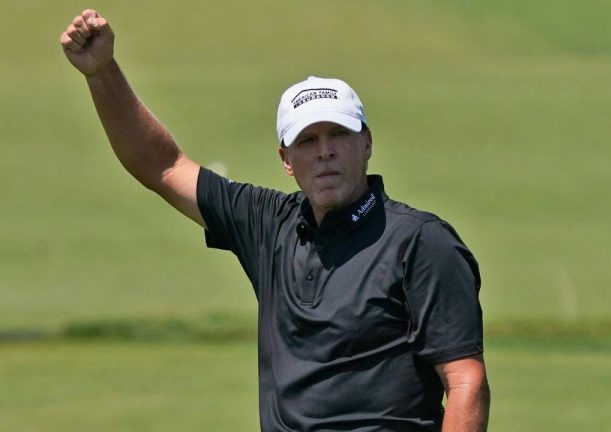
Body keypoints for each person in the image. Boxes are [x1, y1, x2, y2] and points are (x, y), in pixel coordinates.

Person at [61, 9, 490, 432]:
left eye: (339, 134)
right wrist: (102, 73)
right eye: (307, 140)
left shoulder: (420, 242)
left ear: (367, 143)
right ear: (286, 159)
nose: (325, 152)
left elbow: (465, 383)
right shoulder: (268, 224)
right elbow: (163, 165)